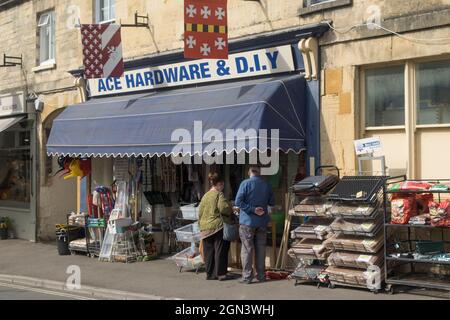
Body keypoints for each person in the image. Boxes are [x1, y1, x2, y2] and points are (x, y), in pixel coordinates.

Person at [235, 166, 275, 284]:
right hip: (262, 221)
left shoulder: (245, 183)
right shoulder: (266, 184)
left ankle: (247, 277)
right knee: (261, 249)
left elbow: (238, 202)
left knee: (247, 249)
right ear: (260, 173)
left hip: (247, 222)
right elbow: (272, 202)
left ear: (249, 172)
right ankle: (261, 276)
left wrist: (252, 209)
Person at [198, 172, 234, 281]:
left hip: (205, 227)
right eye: (222, 185)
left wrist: (201, 224)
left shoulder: (205, 196)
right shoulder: (219, 194)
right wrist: (231, 208)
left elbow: (200, 212)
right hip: (217, 226)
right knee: (220, 250)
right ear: (220, 184)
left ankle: (210, 274)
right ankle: (221, 274)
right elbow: (223, 208)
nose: (223, 187)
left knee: (209, 252)